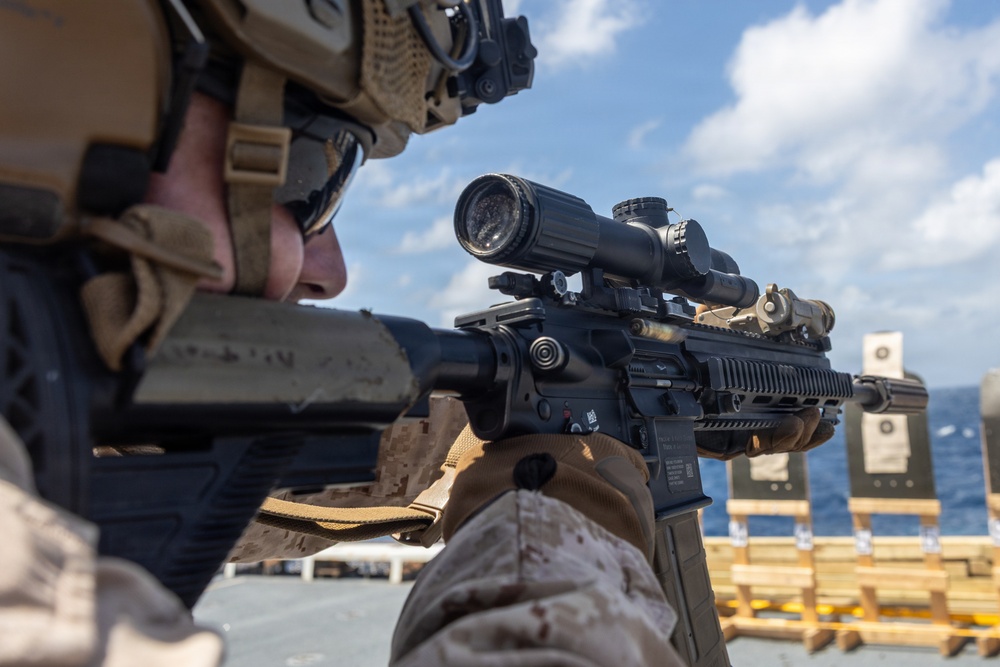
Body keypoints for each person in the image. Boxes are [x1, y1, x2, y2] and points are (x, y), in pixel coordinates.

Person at [0, 2, 830, 665]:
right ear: (87, 110)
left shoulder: (48, 419)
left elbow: (331, 456)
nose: (329, 270)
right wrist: (554, 524)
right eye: (310, 181)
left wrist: (639, 415)